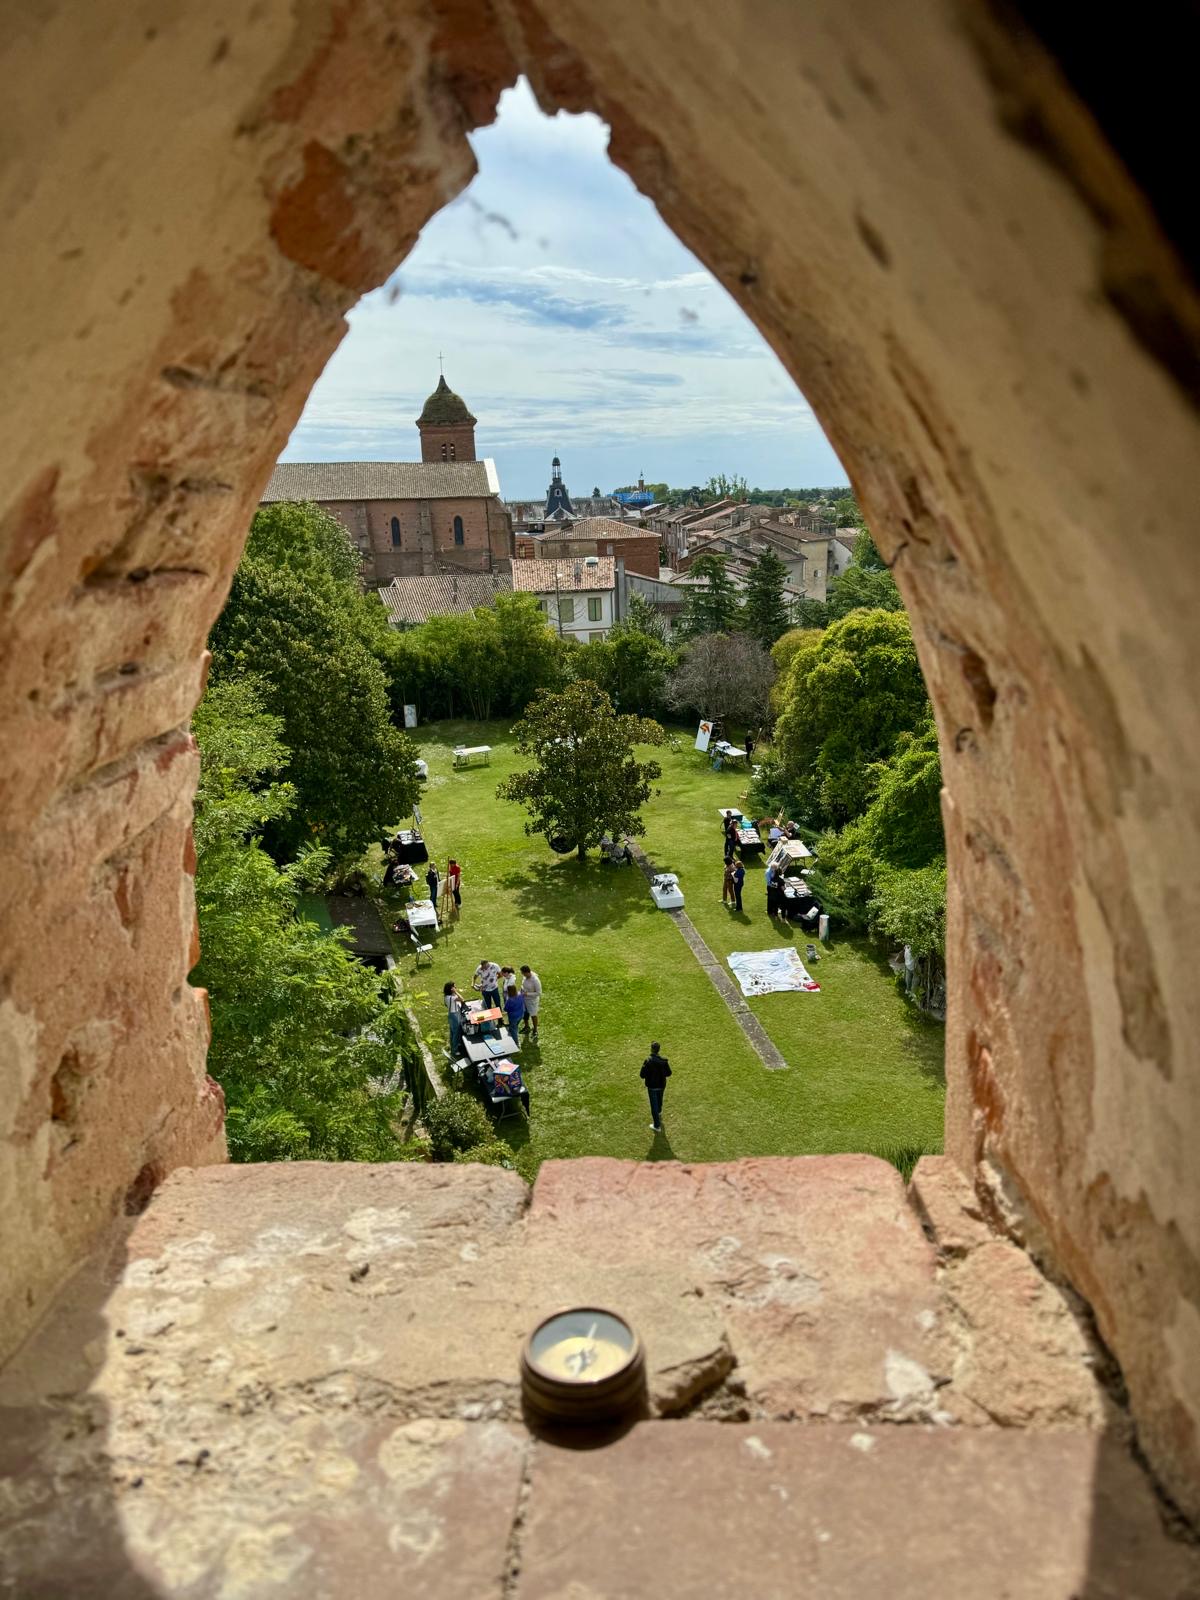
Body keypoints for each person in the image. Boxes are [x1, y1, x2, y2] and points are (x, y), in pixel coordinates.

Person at [640, 1042, 672, 1133]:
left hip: (652, 1086)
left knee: (653, 1104)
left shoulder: (648, 1061)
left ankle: (657, 1125)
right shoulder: (663, 1061)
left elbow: (642, 1075)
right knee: (659, 1099)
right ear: (659, 1050)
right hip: (661, 1085)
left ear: (651, 1049)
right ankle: (659, 1111)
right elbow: (669, 1073)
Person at [443, 980, 465, 1059]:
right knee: (456, 1032)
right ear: (451, 989)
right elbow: (462, 999)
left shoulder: (446, 997)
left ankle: (453, 1045)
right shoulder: (452, 997)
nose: (456, 988)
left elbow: (446, 1005)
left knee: (452, 1032)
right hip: (454, 1015)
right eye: (454, 987)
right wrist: (456, 992)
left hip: (451, 1014)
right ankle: (455, 1050)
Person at [519, 965, 541, 1038]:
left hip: (532, 1001)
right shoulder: (525, 977)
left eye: (523, 973)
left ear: (527, 972)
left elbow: (539, 993)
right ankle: (526, 1027)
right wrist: (521, 990)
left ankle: (535, 1030)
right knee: (525, 1014)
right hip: (524, 999)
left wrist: (527, 994)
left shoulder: (535, 980)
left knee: (533, 1015)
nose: (523, 975)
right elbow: (523, 985)